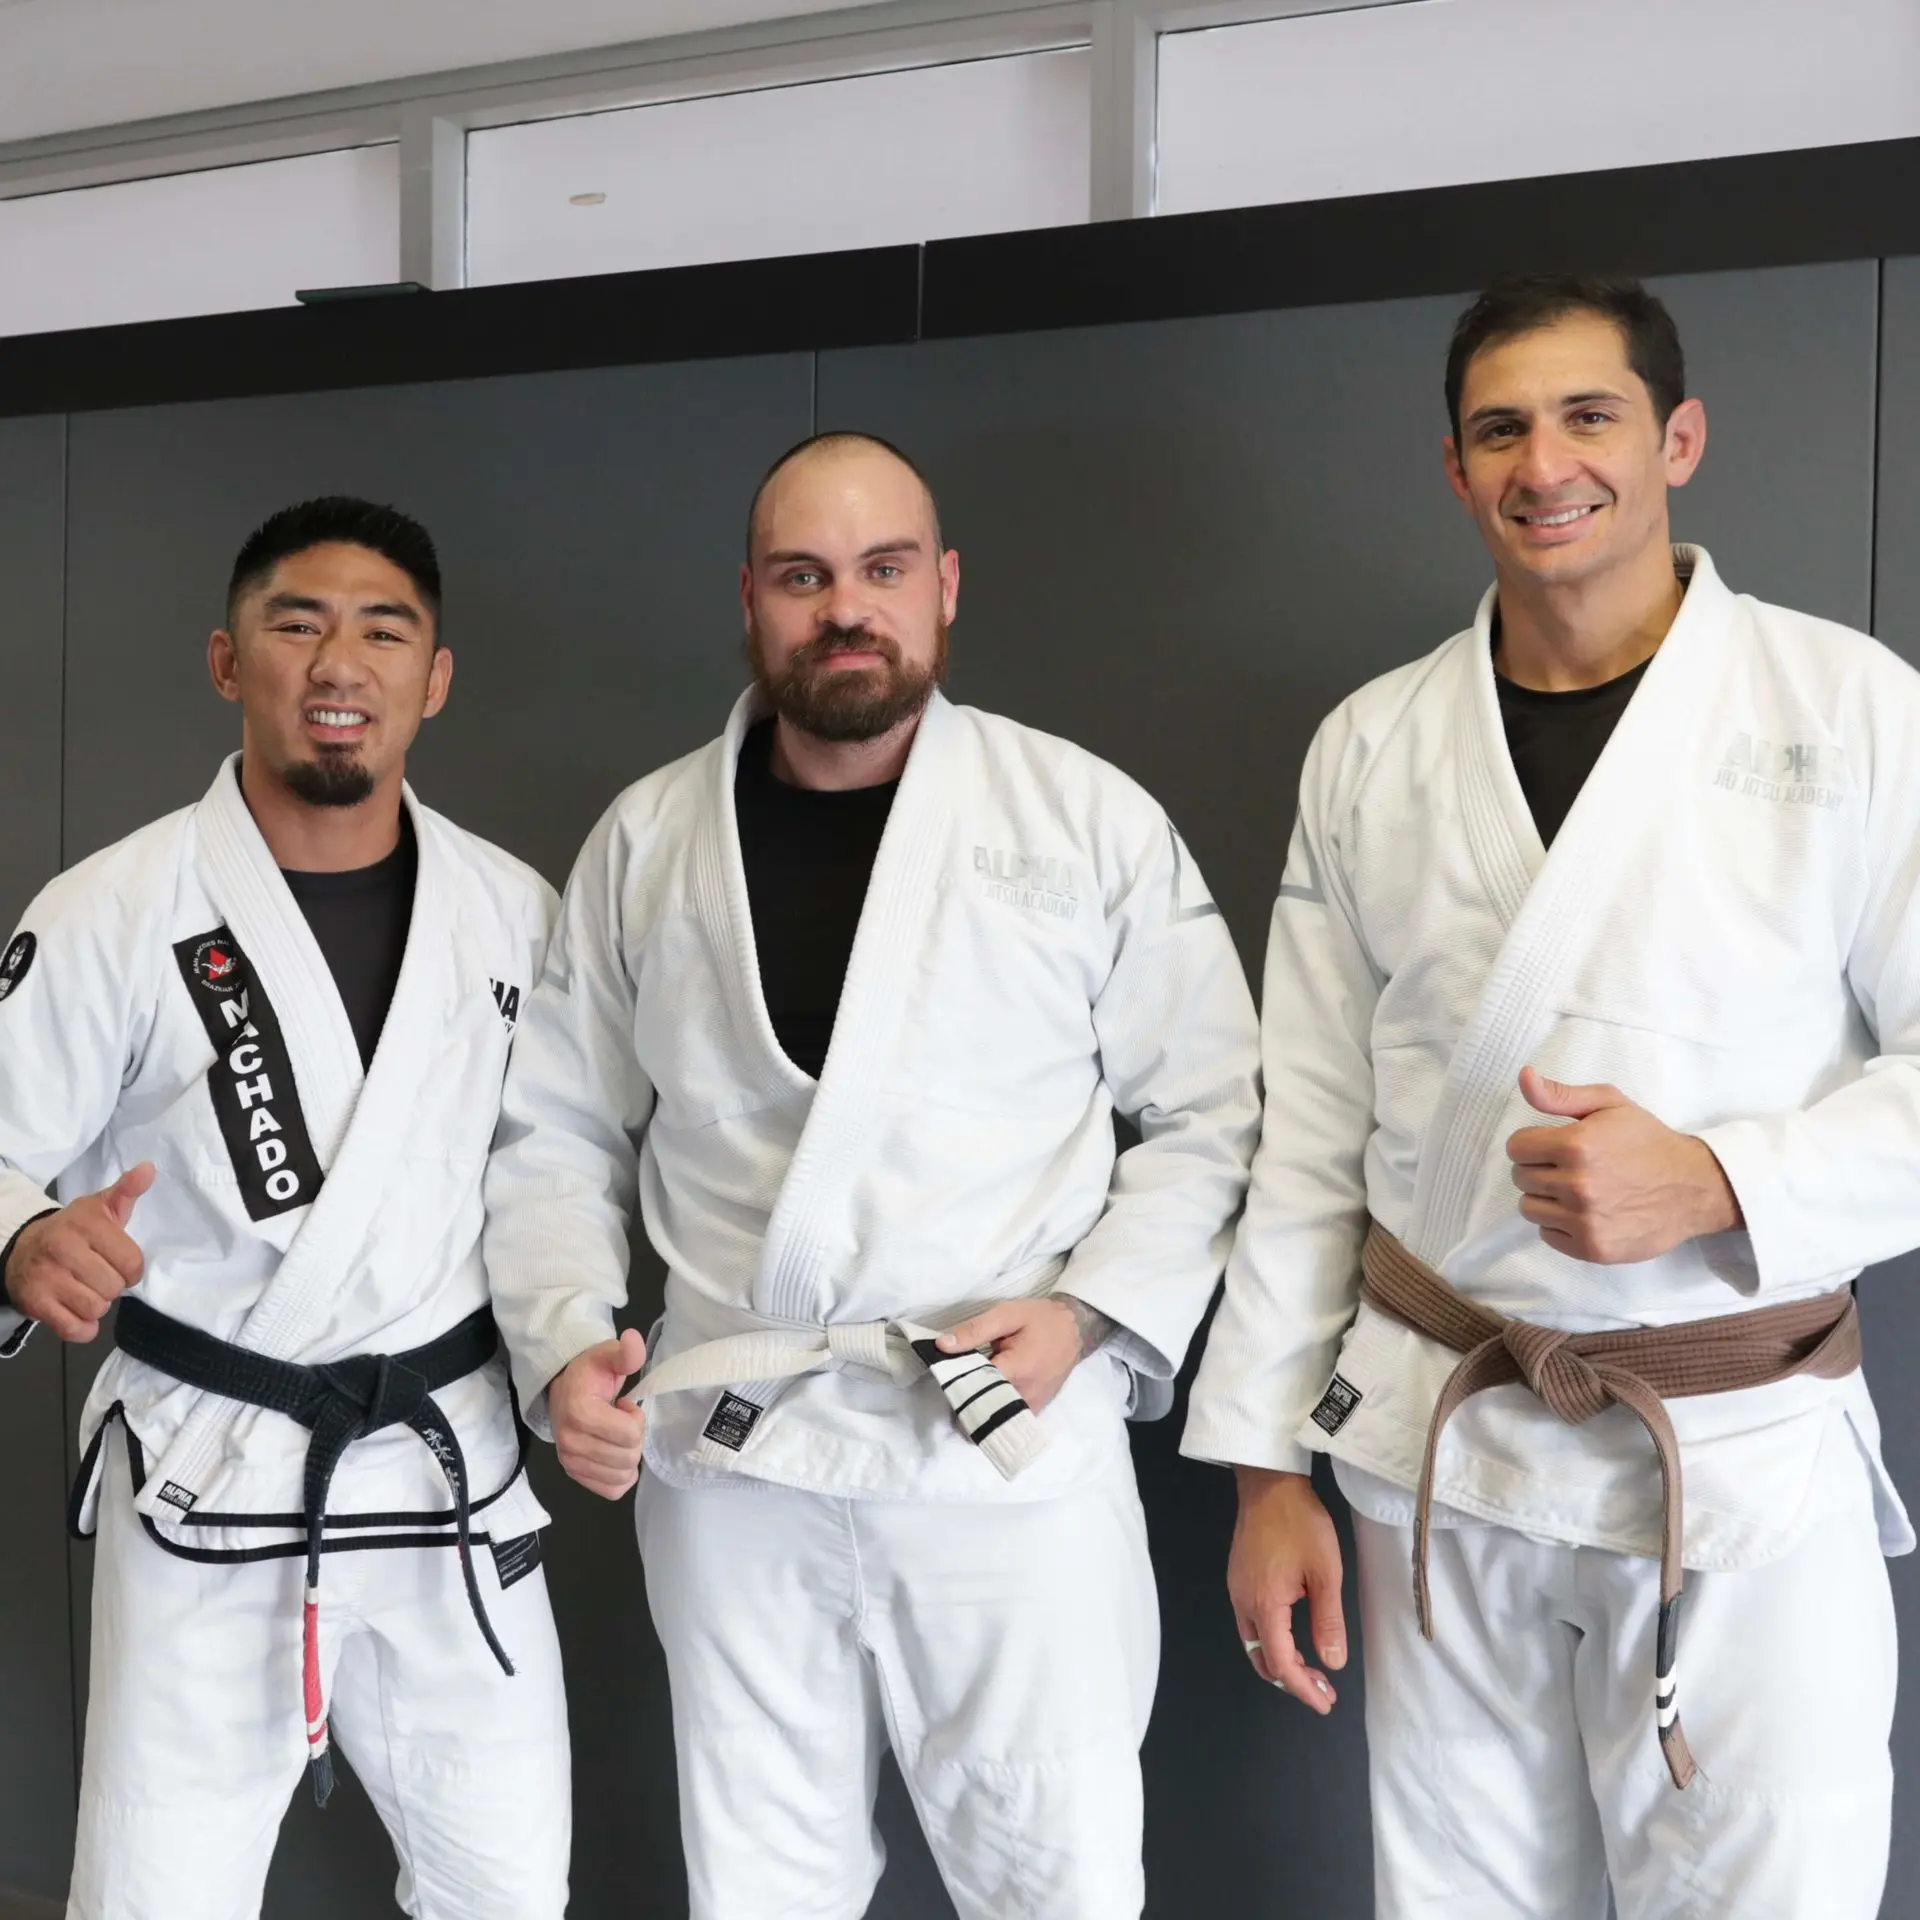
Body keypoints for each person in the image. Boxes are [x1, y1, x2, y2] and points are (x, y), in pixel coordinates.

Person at [1184, 277, 1915, 1918]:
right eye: (1501, 428)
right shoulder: (1373, 746)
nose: (1546, 464)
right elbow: (1305, 1138)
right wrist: (1261, 1469)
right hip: (1442, 1448)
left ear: (1679, 439)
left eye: (1590, 416)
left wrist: (1720, 1183)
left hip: (1732, 1448)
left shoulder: (1849, 708)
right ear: (1455, 469)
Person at [484, 431, 1260, 1919]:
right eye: (804, 575)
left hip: (995, 1436)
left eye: (884, 569)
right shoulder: (648, 842)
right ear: (751, 599)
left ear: (946, 586)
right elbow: (557, 1131)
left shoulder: (1082, 819)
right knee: (759, 1877)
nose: (847, 608)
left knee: (1060, 1876)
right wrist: (569, 1341)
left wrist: (1087, 1317)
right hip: (734, 1451)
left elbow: (1216, 1117)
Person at [0, 498, 571, 1920]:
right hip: (213, 1465)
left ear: (432, 680)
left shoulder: (515, 915)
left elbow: (564, 1180)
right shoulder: (109, 911)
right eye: (296, 622)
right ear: (225, 660)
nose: (340, 661)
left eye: (385, 631)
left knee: (508, 1890)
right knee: (158, 1894)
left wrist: (581, 1354)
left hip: (450, 1475)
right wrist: (21, 1238)